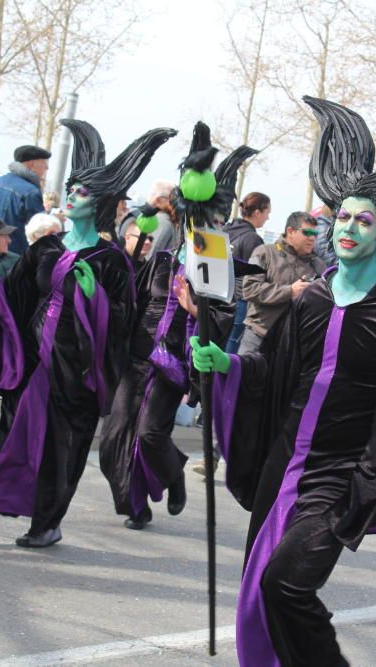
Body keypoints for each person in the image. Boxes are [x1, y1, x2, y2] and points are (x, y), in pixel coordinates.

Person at [192, 97, 376, 667]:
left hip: (341, 474)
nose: (349, 228)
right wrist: (224, 365)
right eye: (343, 217)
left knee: (288, 586)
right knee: (262, 590)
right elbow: (275, 373)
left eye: (364, 220)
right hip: (284, 465)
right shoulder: (314, 297)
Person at [0, 120, 174, 548]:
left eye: (82, 191)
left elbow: (127, 321)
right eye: (71, 188)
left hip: (76, 374)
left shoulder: (111, 261)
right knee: (11, 436)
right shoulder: (46, 247)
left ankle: (45, 524)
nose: (71, 196)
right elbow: (15, 294)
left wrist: (96, 298)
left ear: (101, 201)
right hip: (34, 361)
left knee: (59, 450)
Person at [98, 131, 256, 530]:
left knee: (150, 435)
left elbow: (223, 315)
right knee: (113, 438)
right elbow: (134, 297)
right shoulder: (164, 256)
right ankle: (133, 505)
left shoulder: (216, 260)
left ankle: (174, 474)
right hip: (138, 354)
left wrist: (192, 307)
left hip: (174, 360)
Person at [238, 211, 327, 355]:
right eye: (307, 232)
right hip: (258, 336)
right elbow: (250, 289)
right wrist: (290, 291)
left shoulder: (319, 265)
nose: (312, 238)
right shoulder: (265, 253)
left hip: (292, 345)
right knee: (245, 376)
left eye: (315, 234)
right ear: (290, 231)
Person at [0, 144, 50, 254]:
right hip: (11, 255)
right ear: (32, 164)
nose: (47, 167)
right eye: (44, 163)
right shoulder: (31, 192)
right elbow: (39, 230)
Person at [225, 192, 269, 353]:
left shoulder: (226, 229)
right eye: (267, 212)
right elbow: (255, 275)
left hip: (217, 297)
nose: (268, 217)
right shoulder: (253, 239)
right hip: (238, 301)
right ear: (258, 212)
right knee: (229, 349)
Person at [142, 179, 179, 256]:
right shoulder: (163, 222)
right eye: (173, 198)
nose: (177, 203)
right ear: (158, 200)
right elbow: (151, 258)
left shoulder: (143, 218)